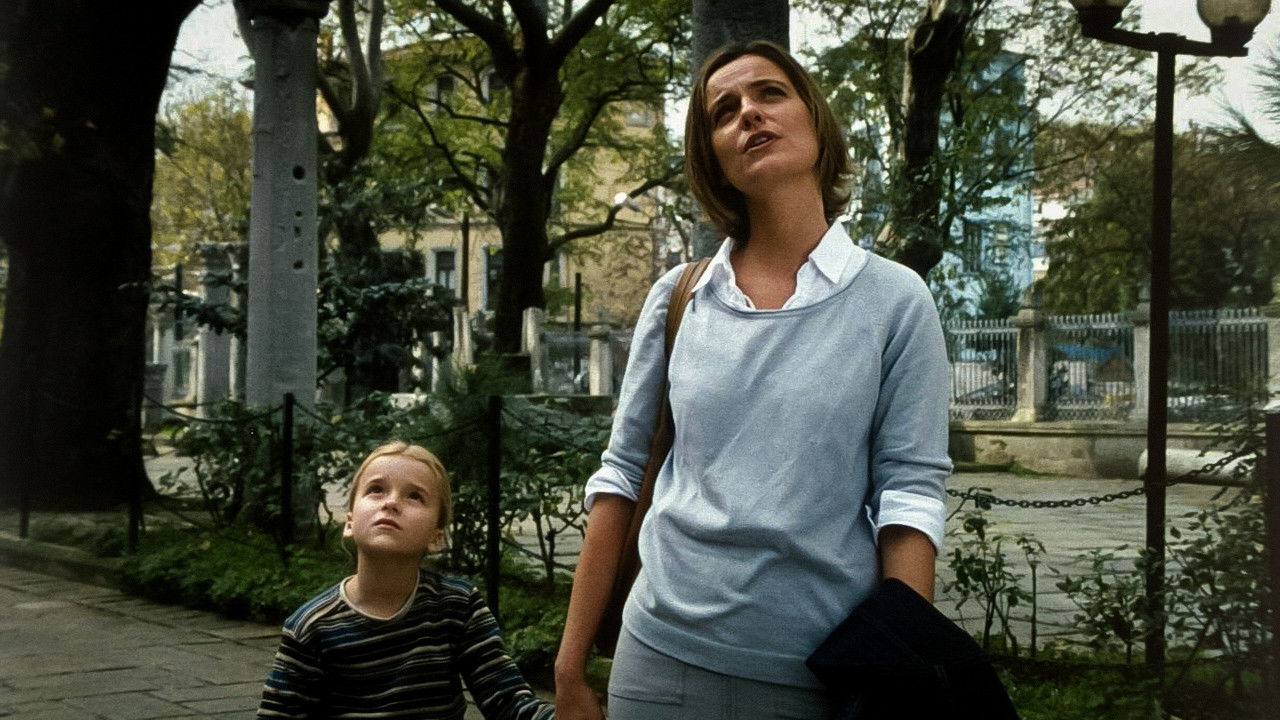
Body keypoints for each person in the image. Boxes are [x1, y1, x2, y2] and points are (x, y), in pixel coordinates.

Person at [553, 40, 951, 720]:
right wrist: (569, 667)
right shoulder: (680, 296)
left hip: (822, 673)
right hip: (657, 662)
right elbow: (622, 473)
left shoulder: (895, 299)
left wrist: (900, 677)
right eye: (724, 110)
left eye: (770, 93)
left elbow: (910, 495)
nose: (749, 113)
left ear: (815, 120)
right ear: (715, 159)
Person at [258, 441, 554, 720]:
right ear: (349, 522)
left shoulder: (457, 606)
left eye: (414, 496)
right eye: (376, 489)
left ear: (436, 537)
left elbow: (508, 702)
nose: (391, 502)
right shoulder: (311, 627)